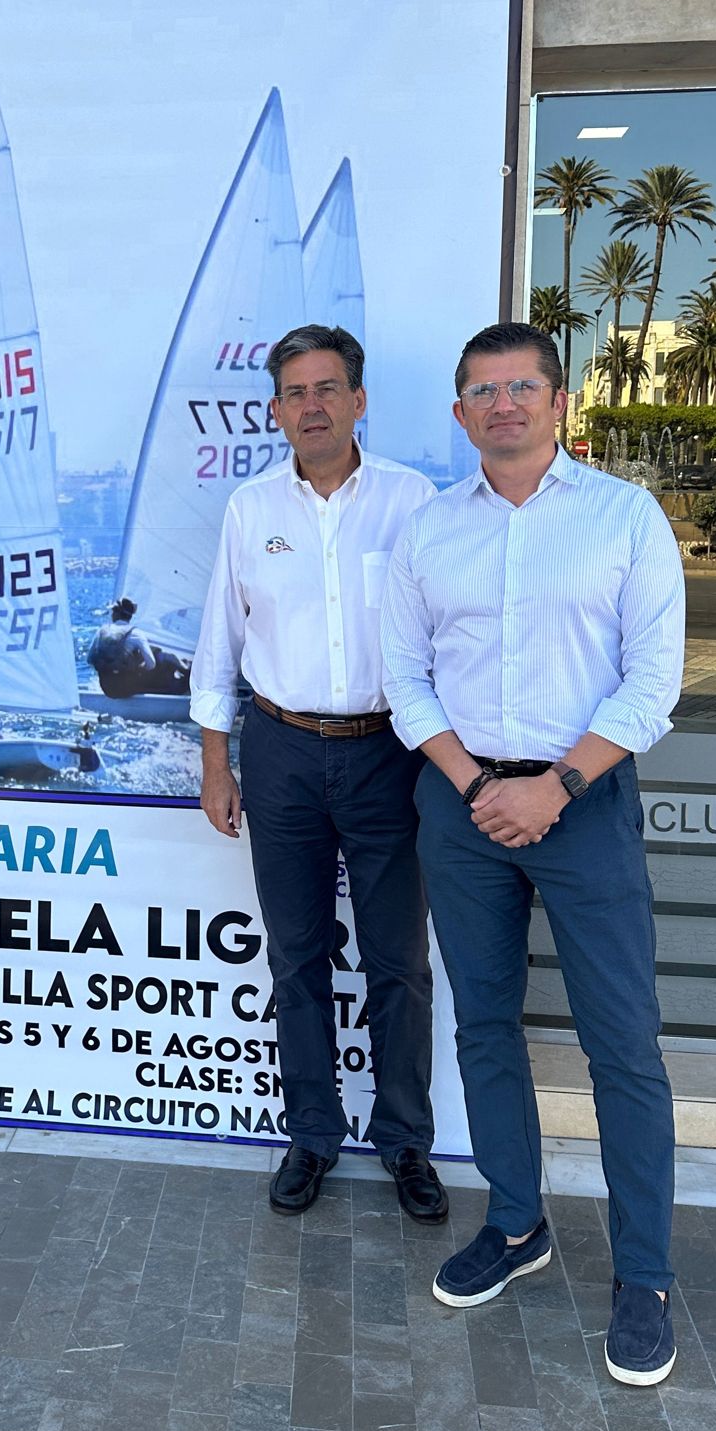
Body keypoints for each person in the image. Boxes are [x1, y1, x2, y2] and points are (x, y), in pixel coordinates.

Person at [381, 322, 684, 1387]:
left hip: (582, 800)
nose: (502, 403)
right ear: (460, 413)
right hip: (462, 801)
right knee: (485, 1024)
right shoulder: (429, 529)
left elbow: (653, 682)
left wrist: (554, 786)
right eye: (482, 389)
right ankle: (516, 1223)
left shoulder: (624, 516)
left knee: (623, 1044)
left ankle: (644, 1277)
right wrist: (477, 786)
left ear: (560, 400)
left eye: (522, 386)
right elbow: (405, 677)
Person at [192, 323, 448, 1223]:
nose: (312, 406)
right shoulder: (250, 509)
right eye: (295, 393)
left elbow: (447, 632)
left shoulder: (414, 500)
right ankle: (312, 1134)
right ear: (276, 411)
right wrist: (217, 761)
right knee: (296, 955)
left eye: (328, 388)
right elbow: (220, 642)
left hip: (391, 753)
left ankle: (405, 1139)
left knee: (398, 961)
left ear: (359, 400)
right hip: (282, 751)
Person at [88, 597, 191, 697]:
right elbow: (151, 664)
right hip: (127, 688)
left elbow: (89, 660)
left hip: (107, 688)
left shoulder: (101, 632)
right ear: (130, 616)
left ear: (115, 614)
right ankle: (187, 680)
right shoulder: (135, 633)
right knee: (165, 658)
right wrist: (138, 668)